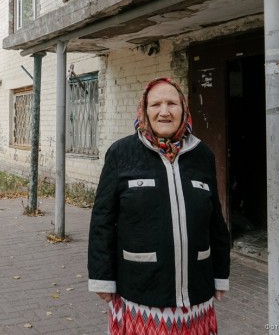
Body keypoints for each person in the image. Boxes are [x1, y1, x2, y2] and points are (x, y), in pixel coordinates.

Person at [88, 77, 230, 335]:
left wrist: (221, 273)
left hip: (196, 293)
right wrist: (102, 277)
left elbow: (215, 220)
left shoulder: (203, 155)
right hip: (140, 292)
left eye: (172, 103)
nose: (164, 111)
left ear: (184, 109)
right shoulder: (121, 153)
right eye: (156, 104)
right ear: (144, 110)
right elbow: (103, 220)